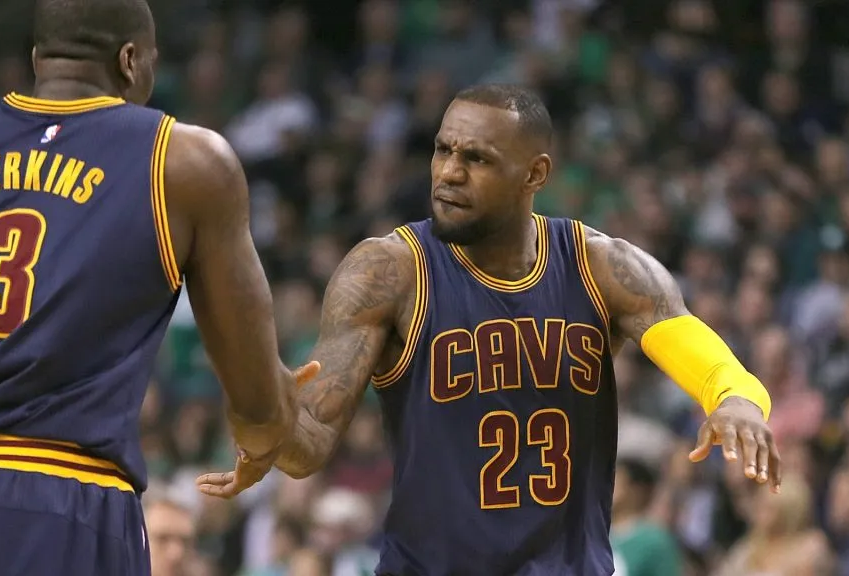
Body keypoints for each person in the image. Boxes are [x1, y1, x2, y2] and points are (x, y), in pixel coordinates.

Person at [199, 84, 780, 575]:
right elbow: (308, 445)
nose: (449, 172)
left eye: (476, 159)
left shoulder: (601, 267)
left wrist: (737, 400)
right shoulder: (390, 270)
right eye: (442, 150)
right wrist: (268, 419)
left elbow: (700, 352)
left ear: (535, 173)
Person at [0, 0, 315, 574]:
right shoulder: (184, 162)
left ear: (38, 57)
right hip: (63, 496)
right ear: (130, 61)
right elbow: (256, 402)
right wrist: (269, 424)